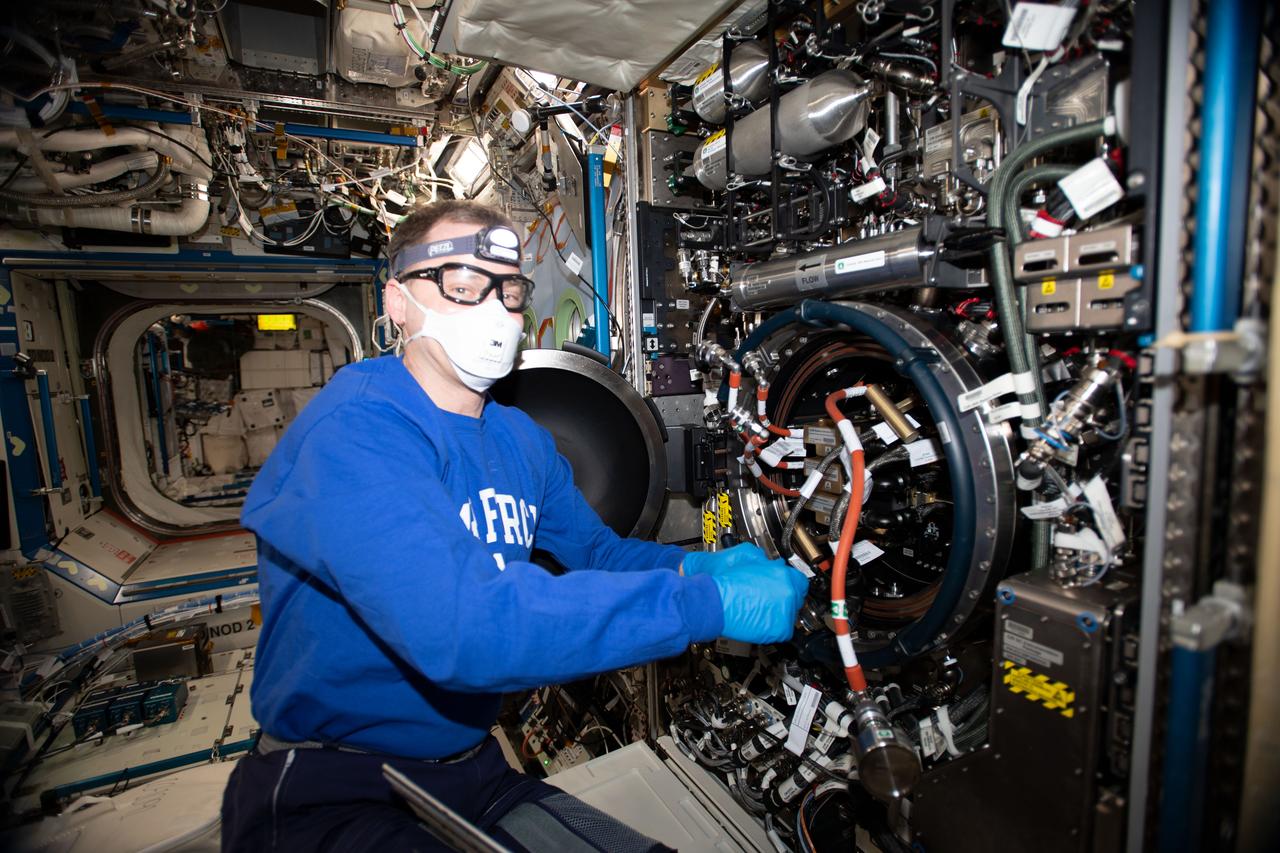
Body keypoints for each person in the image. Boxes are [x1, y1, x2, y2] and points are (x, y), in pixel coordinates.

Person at [220, 199, 809, 852]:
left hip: (475, 769)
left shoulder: (519, 439)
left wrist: (691, 565)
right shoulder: (355, 433)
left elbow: (595, 552)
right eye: (463, 286)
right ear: (398, 301)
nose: (496, 308)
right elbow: (464, 628)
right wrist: (705, 602)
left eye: (508, 289)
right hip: (337, 787)